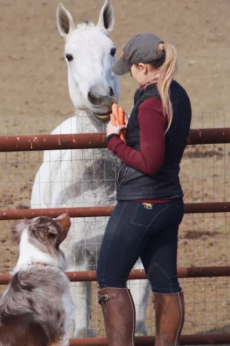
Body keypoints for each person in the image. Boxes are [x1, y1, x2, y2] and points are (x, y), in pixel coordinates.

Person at [96, 33, 192, 346]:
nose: (130, 75)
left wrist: (113, 140)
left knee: (110, 278)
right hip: (169, 202)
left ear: (142, 67)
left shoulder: (151, 102)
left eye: (131, 69)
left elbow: (150, 162)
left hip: (141, 203)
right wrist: (131, 138)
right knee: (165, 283)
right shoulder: (177, 94)